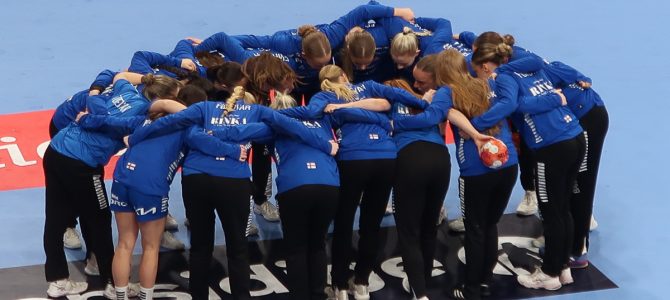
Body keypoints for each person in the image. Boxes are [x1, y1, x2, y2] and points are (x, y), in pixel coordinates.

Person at [43, 72, 182, 298]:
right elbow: (183, 115)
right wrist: (164, 104)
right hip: (81, 163)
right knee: (99, 218)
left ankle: (59, 280)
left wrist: (96, 94)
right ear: (160, 99)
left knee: (55, 217)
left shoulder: (126, 90)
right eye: (173, 98)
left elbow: (118, 76)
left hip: (56, 150)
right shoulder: (141, 119)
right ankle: (111, 282)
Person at [470, 43, 585, 291]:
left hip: (552, 146)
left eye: (479, 71)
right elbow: (543, 64)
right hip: (575, 136)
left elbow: (513, 105)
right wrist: (553, 98)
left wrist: (477, 124)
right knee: (563, 207)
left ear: (487, 66)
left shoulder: (504, 77)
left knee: (551, 211)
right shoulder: (531, 68)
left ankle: (550, 273)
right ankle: (563, 266)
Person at [433, 49, 519, 299]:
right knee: (490, 224)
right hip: (508, 164)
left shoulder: (446, 92)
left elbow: (436, 113)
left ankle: (470, 288)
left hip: (476, 170)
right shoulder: (487, 82)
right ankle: (484, 281)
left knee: (475, 229)